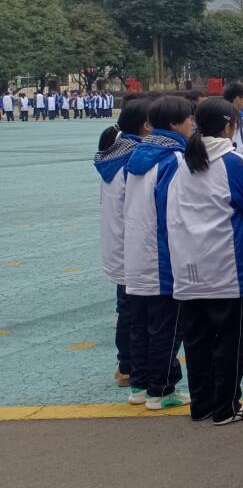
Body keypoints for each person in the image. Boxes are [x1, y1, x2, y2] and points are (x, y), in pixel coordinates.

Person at [166, 97, 243, 425]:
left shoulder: (184, 161)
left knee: (197, 340)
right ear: (229, 126)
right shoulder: (232, 162)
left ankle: (202, 405)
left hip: (188, 264)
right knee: (230, 340)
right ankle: (226, 407)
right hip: (224, 264)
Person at [123, 95, 195, 409]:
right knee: (167, 326)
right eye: (189, 119)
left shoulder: (137, 154)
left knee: (140, 325)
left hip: (137, 253)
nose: (192, 124)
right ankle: (162, 389)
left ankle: (139, 386)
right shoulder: (174, 159)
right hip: (163, 255)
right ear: (176, 124)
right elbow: (175, 212)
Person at [94, 98, 152, 389]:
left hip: (119, 245)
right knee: (135, 312)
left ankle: (126, 365)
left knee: (127, 308)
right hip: (132, 246)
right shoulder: (135, 159)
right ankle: (131, 367)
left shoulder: (114, 154)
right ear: (146, 126)